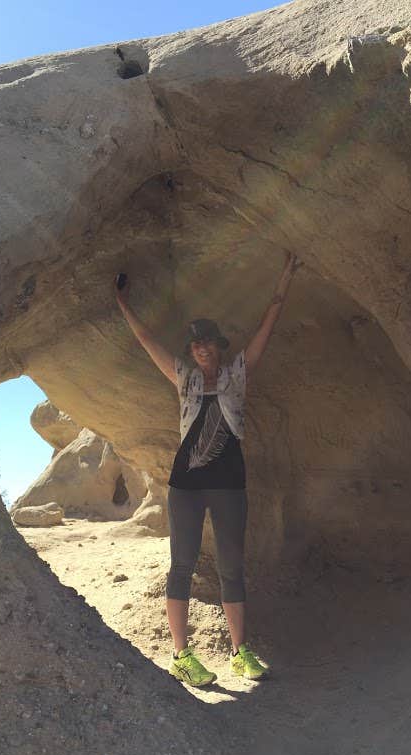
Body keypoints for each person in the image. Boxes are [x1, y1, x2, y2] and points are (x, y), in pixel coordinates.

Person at [114, 251, 302, 686]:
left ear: (219, 347)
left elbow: (265, 331)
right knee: (181, 563)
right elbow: (147, 342)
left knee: (231, 567)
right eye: (194, 344)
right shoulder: (185, 379)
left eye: (207, 342)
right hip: (188, 483)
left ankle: (240, 653)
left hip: (229, 481)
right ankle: (181, 655)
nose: (200, 348)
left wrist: (283, 283)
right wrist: (124, 305)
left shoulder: (237, 373)